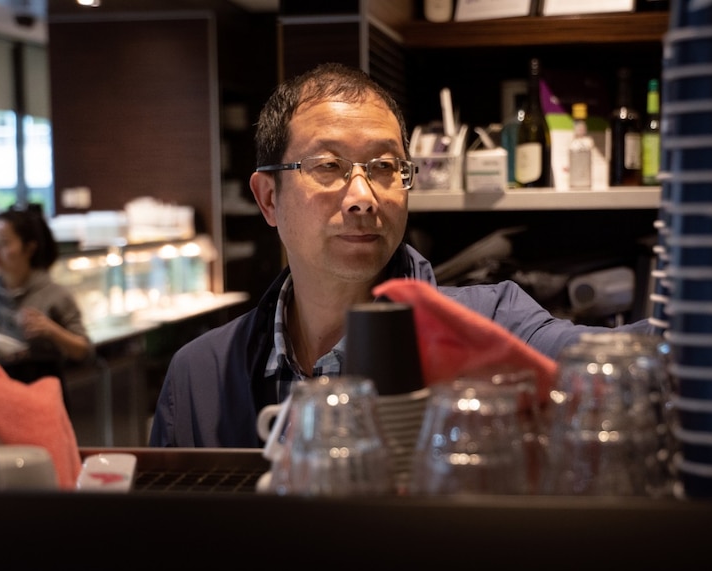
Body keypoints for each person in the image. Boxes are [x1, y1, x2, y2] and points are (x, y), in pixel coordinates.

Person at [149, 62, 652, 448]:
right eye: (329, 165)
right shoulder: (200, 376)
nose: (364, 195)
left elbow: (618, 360)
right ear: (268, 198)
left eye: (385, 165)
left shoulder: (489, 323)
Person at [0, 205, 94, 399]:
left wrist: (52, 331)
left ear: (29, 248)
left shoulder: (55, 294)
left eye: (4, 244)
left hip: (42, 398)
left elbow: (85, 352)